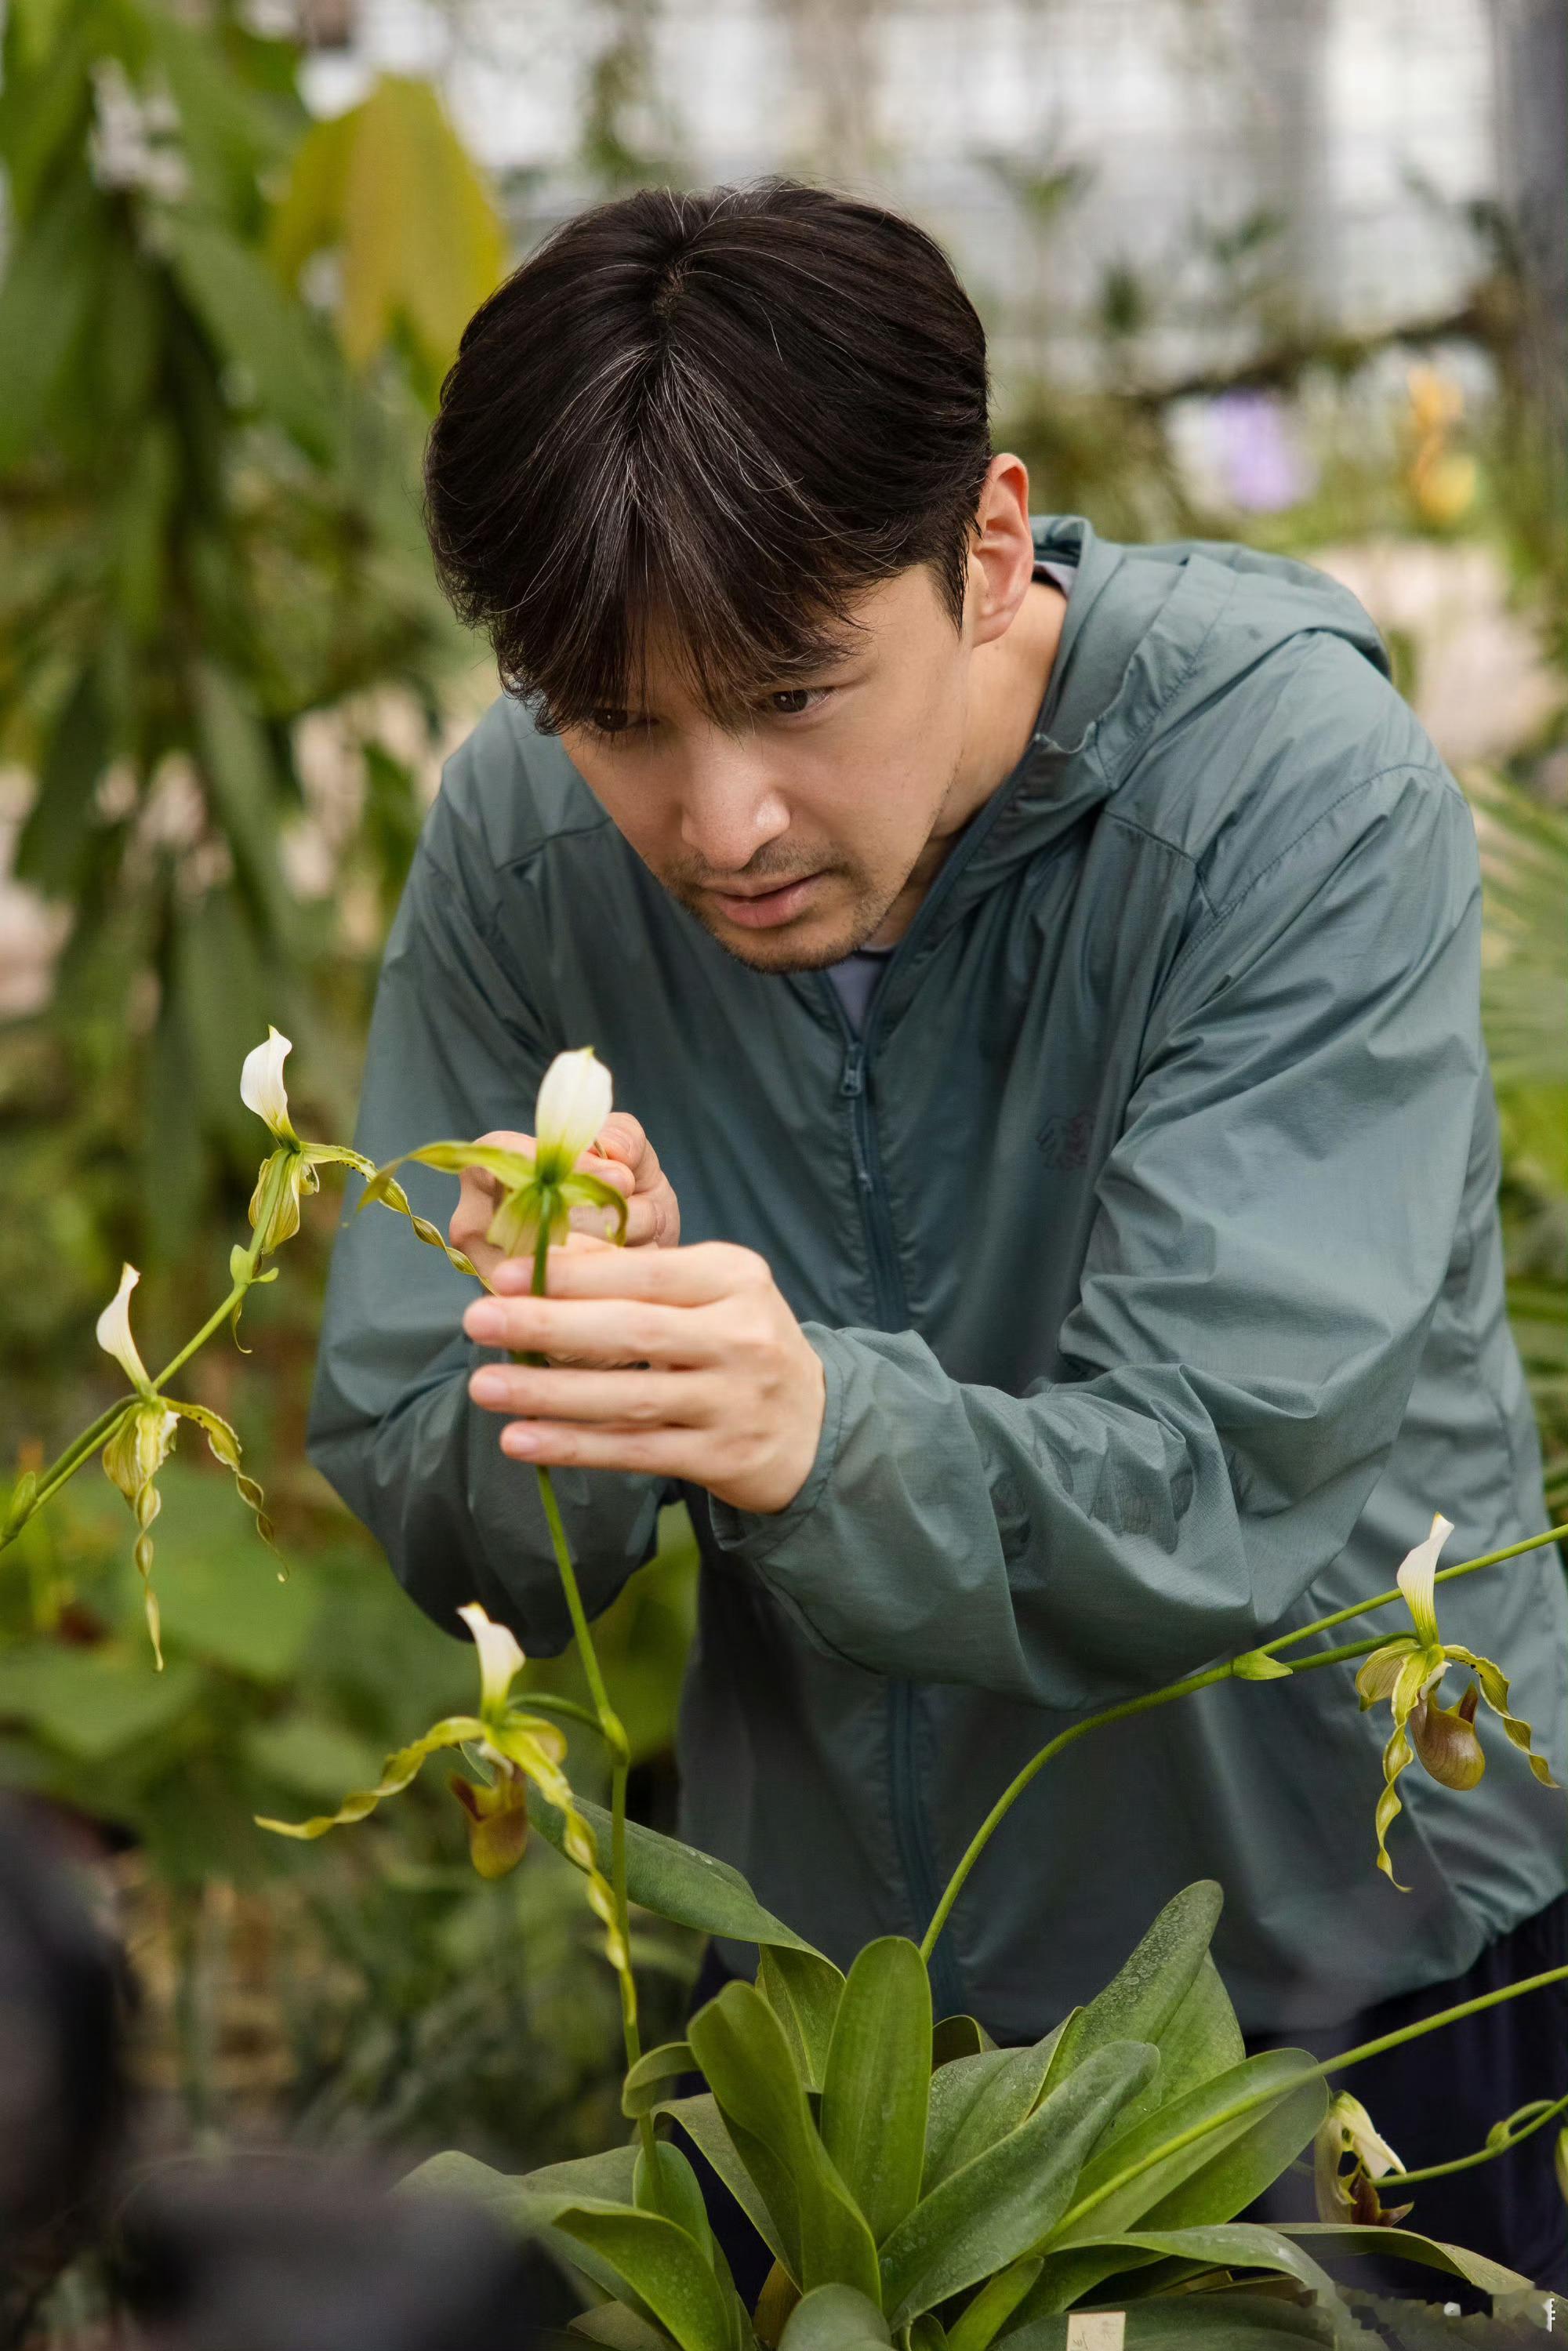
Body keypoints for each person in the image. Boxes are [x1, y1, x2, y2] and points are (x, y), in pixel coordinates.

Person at [307, 180, 1568, 2280]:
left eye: (796, 695)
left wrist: (808, 1433)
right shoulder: (523, 844)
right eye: (617, 719)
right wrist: (564, 1389)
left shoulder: (1285, 793)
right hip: (832, 2013)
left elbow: (1223, 1474)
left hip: (1340, 1944)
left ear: (986, 550)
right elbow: (419, 1481)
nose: (720, 827)